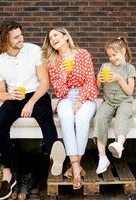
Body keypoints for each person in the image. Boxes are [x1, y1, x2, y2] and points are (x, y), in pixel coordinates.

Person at [0, 20, 65, 200]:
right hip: (16, 96)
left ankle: (55, 159)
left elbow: (45, 83)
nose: (21, 39)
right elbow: (0, 93)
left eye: (21, 34)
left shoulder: (33, 51)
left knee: (45, 117)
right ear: (5, 40)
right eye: (16, 37)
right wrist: (10, 96)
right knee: (1, 121)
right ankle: (7, 173)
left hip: (37, 94)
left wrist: (30, 103)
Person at [42, 28, 98, 190]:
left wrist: (80, 101)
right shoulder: (53, 61)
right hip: (66, 97)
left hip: (86, 96)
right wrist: (65, 74)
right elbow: (59, 91)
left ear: (66, 36)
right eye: (50, 38)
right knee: (66, 117)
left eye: (56, 35)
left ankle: (74, 166)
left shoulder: (82, 54)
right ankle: (76, 167)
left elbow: (90, 80)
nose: (52, 39)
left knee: (81, 119)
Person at [93, 36, 136, 174]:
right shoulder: (105, 67)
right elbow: (97, 88)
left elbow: (129, 91)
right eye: (109, 56)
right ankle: (102, 157)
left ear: (123, 51)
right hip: (109, 102)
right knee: (99, 117)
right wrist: (98, 80)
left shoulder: (129, 68)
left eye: (114, 54)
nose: (112, 58)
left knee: (123, 115)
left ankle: (119, 144)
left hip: (124, 101)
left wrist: (119, 78)